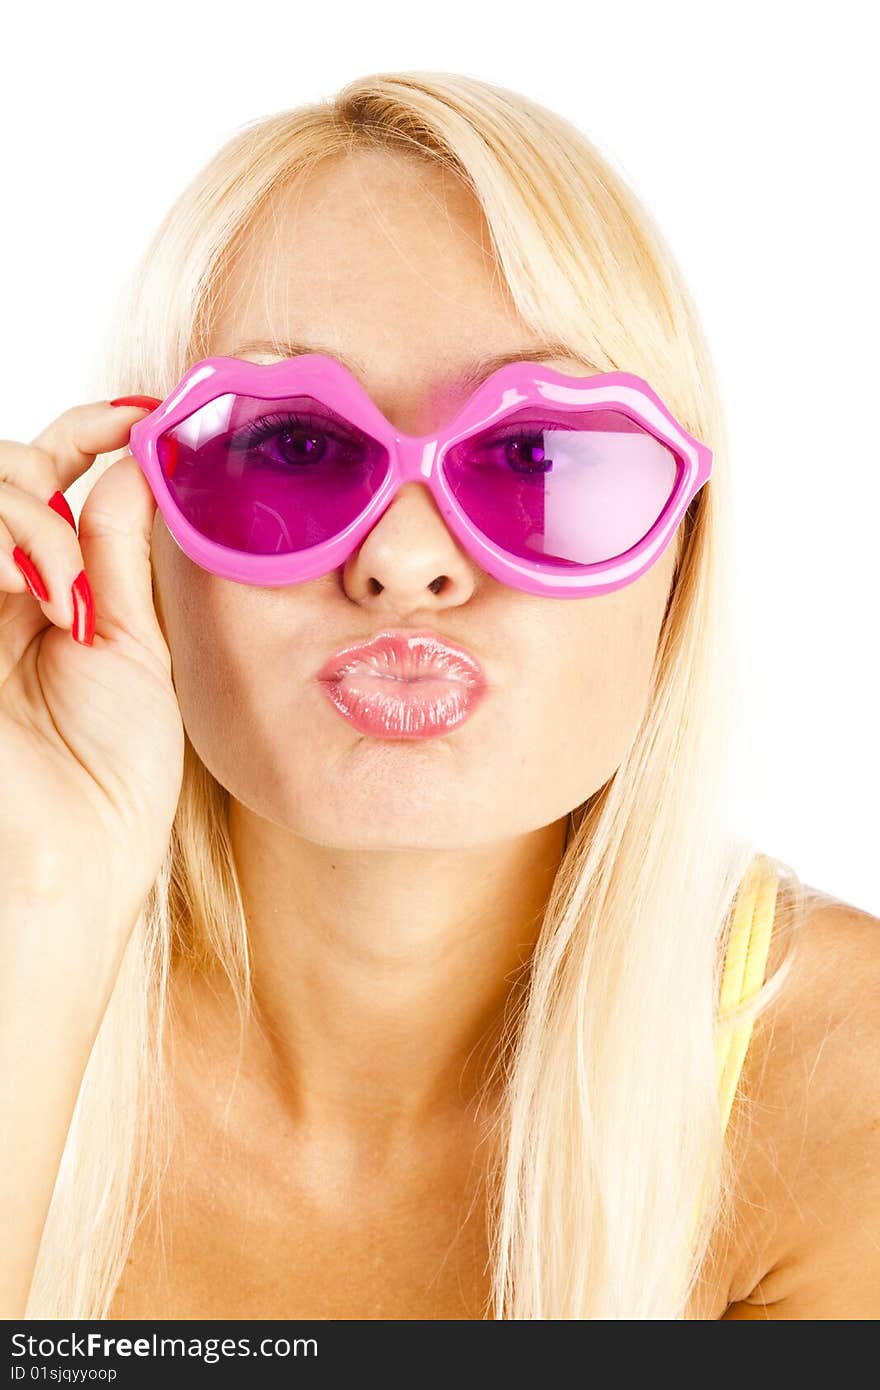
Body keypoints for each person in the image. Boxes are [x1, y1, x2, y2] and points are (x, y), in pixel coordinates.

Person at [1, 71, 877, 1322]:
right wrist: (34, 897)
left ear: (680, 557)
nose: (405, 557)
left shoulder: (852, 1096)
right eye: (292, 447)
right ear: (136, 523)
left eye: (536, 457)